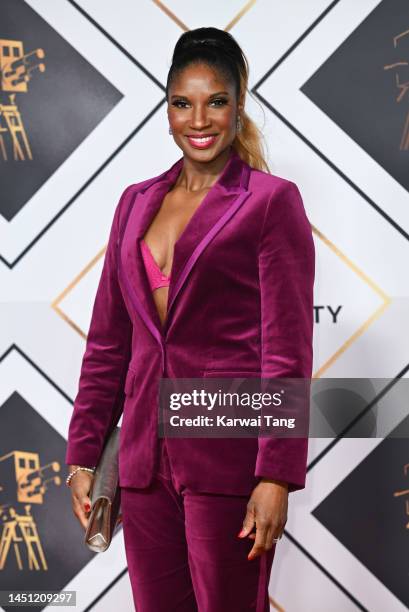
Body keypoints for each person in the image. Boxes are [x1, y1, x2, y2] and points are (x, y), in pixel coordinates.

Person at [65, 26, 315, 612]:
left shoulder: (270, 202)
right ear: (167, 109)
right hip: (144, 465)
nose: (198, 120)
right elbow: (108, 341)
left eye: (216, 101)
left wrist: (275, 476)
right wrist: (83, 451)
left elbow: (287, 353)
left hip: (228, 458)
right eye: (183, 103)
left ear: (238, 105)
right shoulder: (134, 201)